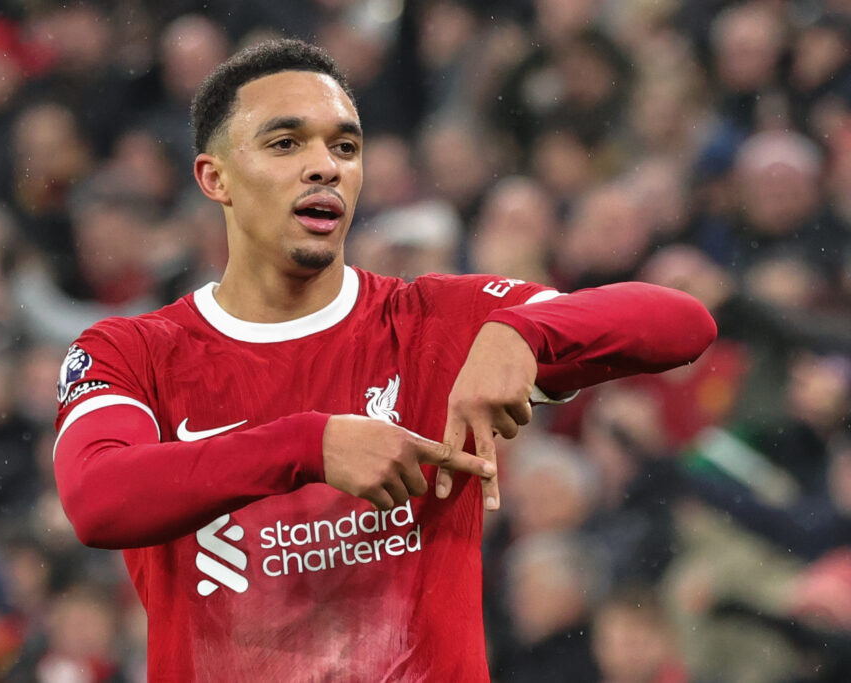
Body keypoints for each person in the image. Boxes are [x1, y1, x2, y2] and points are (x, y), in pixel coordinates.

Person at [52, 39, 716, 681]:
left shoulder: (437, 322)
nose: (325, 166)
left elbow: (683, 323)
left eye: (345, 146)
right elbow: (98, 499)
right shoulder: (128, 352)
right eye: (286, 143)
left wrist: (525, 334)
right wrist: (310, 443)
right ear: (214, 177)